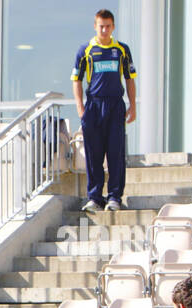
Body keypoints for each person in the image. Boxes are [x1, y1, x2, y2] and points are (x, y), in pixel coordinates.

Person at [71, 8, 137, 212]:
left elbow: (130, 79)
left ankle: (114, 197)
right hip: (94, 105)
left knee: (115, 152)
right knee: (93, 153)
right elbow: (77, 80)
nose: (105, 30)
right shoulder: (86, 50)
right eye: (101, 26)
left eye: (108, 26)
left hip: (115, 104)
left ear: (113, 27)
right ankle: (94, 197)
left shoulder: (122, 49)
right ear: (95, 26)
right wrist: (80, 106)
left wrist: (133, 105)